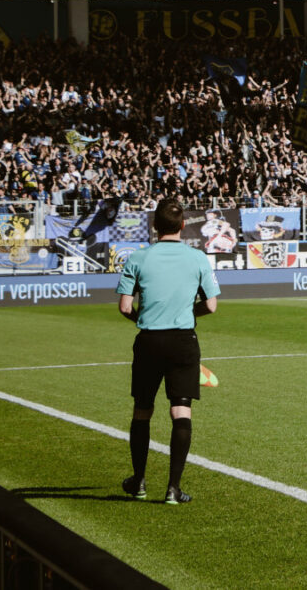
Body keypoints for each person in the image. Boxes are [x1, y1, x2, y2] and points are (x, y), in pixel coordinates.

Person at [117, 196, 219, 505]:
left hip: (149, 341)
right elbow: (211, 306)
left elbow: (125, 307)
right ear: (183, 225)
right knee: (181, 410)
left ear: (154, 225)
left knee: (142, 409)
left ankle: (138, 481)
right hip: (183, 341)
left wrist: (144, 317)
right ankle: (174, 488)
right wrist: (188, 313)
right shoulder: (198, 258)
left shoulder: (138, 258)